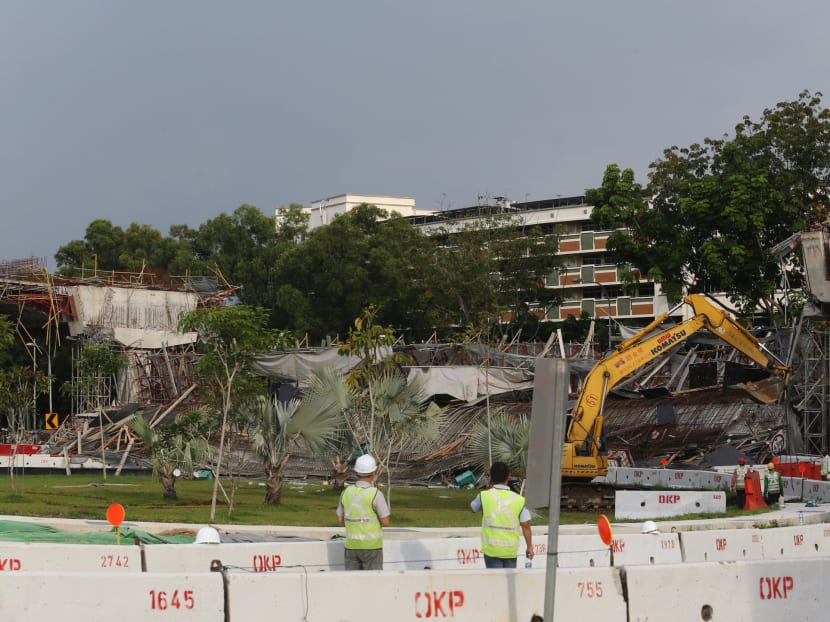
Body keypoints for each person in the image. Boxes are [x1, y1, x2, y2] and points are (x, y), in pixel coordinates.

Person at [470, 461, 534, 569]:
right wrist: (529, 547)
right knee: (508, 579)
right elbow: (526, 525)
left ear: (491, 477)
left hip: (491, 551)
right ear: (509, 476)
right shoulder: (520, 500)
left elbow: (473, 508)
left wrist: (487, 490)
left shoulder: (484, 496)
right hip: (510, 551)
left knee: (495, 580)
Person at [336, 454, 390, 570]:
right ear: (373, 474)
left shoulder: (346, 492)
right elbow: (385, 522)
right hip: (372, 548)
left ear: (356, 473)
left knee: (353, 580)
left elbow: (340, 520)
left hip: (351, 547)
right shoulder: (376, 494)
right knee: (373, 580)